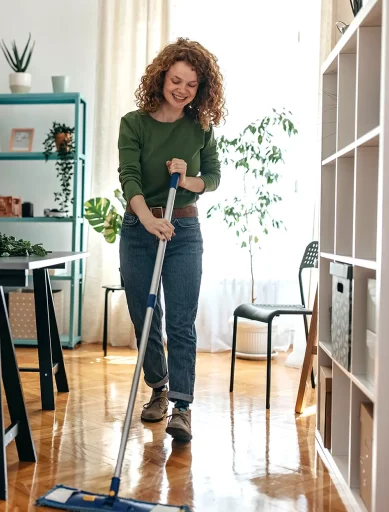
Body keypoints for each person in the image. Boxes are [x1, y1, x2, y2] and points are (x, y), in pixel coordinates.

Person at [117, 38, 226, 442]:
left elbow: (212, 177)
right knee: (145, 317)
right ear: (162, 77)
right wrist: (146, 219)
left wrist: (189, 176)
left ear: (202, 89)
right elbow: (128, 175)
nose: (181, 90)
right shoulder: (134, 123)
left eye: (192, 85)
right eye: (176, 80)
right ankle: (158, 388)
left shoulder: (200, 127)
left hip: (183, 231)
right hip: (139, 229)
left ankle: (182, 406)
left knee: (181, 319)